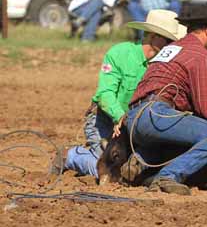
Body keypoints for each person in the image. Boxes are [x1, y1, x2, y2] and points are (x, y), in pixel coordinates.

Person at [123, 5, 207, 195]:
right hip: (157, 115)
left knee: (177, 137)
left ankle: (141, 160)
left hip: (134, 117)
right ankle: (169, 176)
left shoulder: (171, 49)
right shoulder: (201, 57)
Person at [62, 10, 187, 178]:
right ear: (152, 36)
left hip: (137, 127)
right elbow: (105, 93)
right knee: (110, 170)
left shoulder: (166, 64)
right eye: (169, 40)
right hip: (104, 120)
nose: (172, 45)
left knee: (132, 170)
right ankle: (70, 156)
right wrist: (120, 117)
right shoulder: (120, 53)